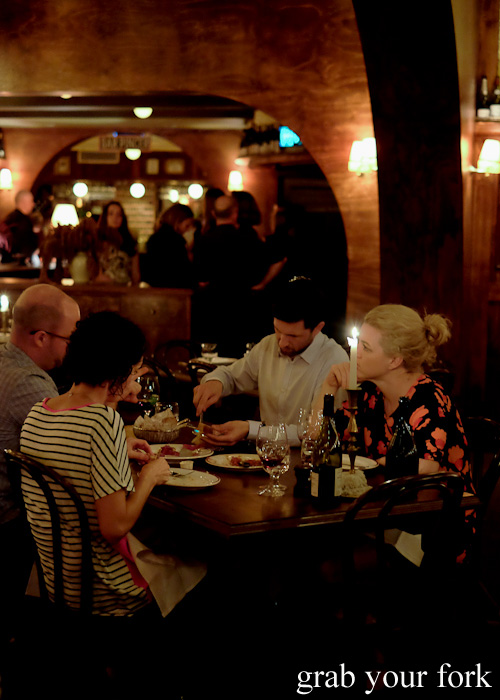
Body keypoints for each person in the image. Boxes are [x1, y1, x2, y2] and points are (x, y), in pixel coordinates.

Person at [19, 311, 171, 616]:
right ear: (118, 371)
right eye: (134, 372)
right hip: (104, 593)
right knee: (203, 566)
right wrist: (150, 477)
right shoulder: (103, 421)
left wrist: (117, 447)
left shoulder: (38, 412)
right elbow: (114, 527)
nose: (135, 381)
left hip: (54, 583)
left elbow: (73, 446)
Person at [316, 303, 473, 491]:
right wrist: (329, 386)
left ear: (395, 360)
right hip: (385, 503)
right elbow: (319, 440)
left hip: (436, 509)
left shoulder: (429, 398)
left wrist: (377, 463)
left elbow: (426, 466)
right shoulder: (370, 393)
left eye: (365, 347)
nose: (354, 352)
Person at [0, 284, 80, 649]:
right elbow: (76, 442)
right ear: (42, 337)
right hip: (8, 525)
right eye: (70, 338)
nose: (73, 348)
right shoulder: (29, 383)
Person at [193, 276, 349, 446]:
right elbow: (232, 376)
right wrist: (216, 382)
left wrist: (250, 430)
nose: (281, 342)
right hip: (264, 457)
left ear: (318, 328)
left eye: (292, 336)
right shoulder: (268, 344)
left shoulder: (334, 360)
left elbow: (316, 431)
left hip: (307, 462)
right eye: (278, 330)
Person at [142, 203, 195, 287]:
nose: (187, 229)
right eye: (187, 225)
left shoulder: (154, 238)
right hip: (175, 289)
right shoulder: (177, 241)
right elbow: (184, 271)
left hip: (155, 288)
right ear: (178, 221)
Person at [94, 201, 140, 285]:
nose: (115, 218)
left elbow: (135, 274)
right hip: (102, 288)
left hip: (124, 288)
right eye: (111, 214)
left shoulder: (129, 242)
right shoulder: (97, 241)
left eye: (119, 215)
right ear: (105, 217)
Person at [2, 190, 37, 264]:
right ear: (23, 202)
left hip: (6, 262)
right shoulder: (24, 222)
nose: (33, 204)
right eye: (31, 201)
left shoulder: (8, 219)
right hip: (19, 264)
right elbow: (25, 244)